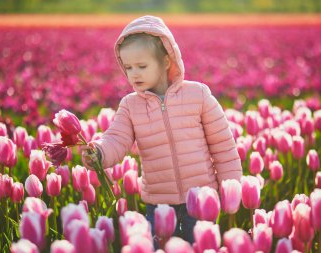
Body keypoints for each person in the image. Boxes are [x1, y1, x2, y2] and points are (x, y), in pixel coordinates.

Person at [82, 15, 243, 246]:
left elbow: (223, 147)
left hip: (199, 198)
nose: (133, 74)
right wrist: (99, 152)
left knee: (200, 246)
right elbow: (116, 138)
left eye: (141, 66)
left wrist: (231, 189)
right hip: (158, 202)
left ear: (167, 61)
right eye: (127, 67)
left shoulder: (198, 95)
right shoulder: (130, 105)